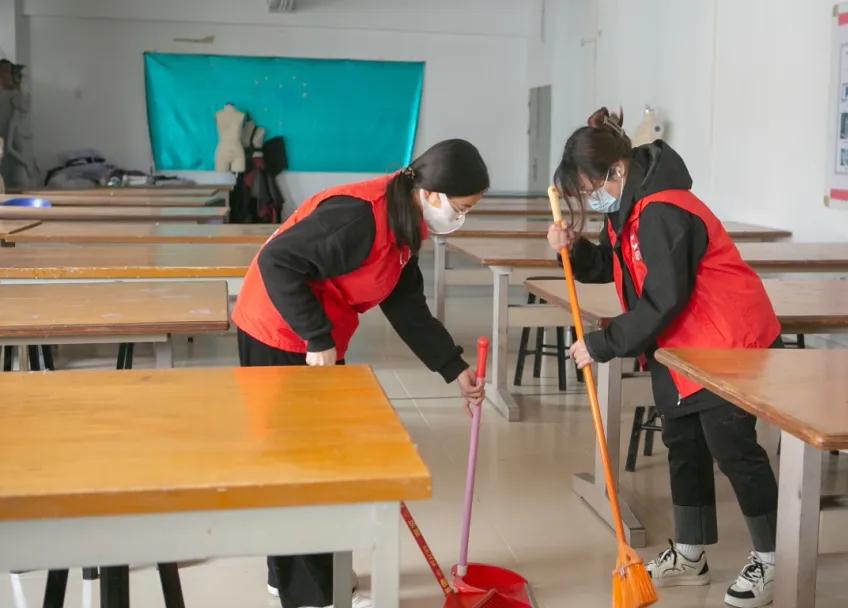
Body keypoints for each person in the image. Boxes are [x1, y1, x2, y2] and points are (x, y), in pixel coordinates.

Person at [231, 139, 490, 608]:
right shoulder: (360, 217)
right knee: (303, 462)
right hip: (280, 331)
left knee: (316, 458)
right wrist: (317, 338)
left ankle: (301, 575)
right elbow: (277, 261)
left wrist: (453, 368)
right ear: (431, 193)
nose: (461, 218)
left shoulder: (405, 222)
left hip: (312, 335)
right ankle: (310, 592)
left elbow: (406, 306)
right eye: (461, 208)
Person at [547, 108, 782, 608]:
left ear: (617, 168)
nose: (591, 197)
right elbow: (615, 266)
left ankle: (774, 558)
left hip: (725, 342)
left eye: (591, 187)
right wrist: (575, 248)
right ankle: (691, 555)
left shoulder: (664, 208)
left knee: (734, 451)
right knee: (683, 445)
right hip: (678, 345)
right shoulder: (626, 207)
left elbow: (664, 295)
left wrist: (604, 343)